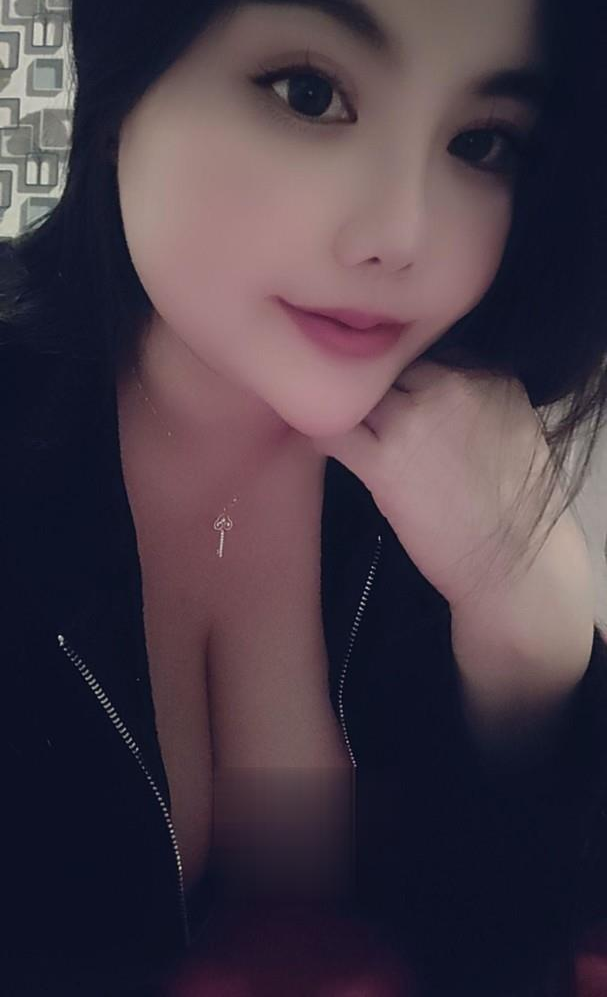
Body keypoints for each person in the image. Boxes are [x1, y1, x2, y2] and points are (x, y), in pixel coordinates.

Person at [2, 0, 607, 994]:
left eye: (480, 142)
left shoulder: (464, 472)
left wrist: (528, 642)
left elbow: (501, 944)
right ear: (118, 94)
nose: (402, 233)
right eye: (310, 93)